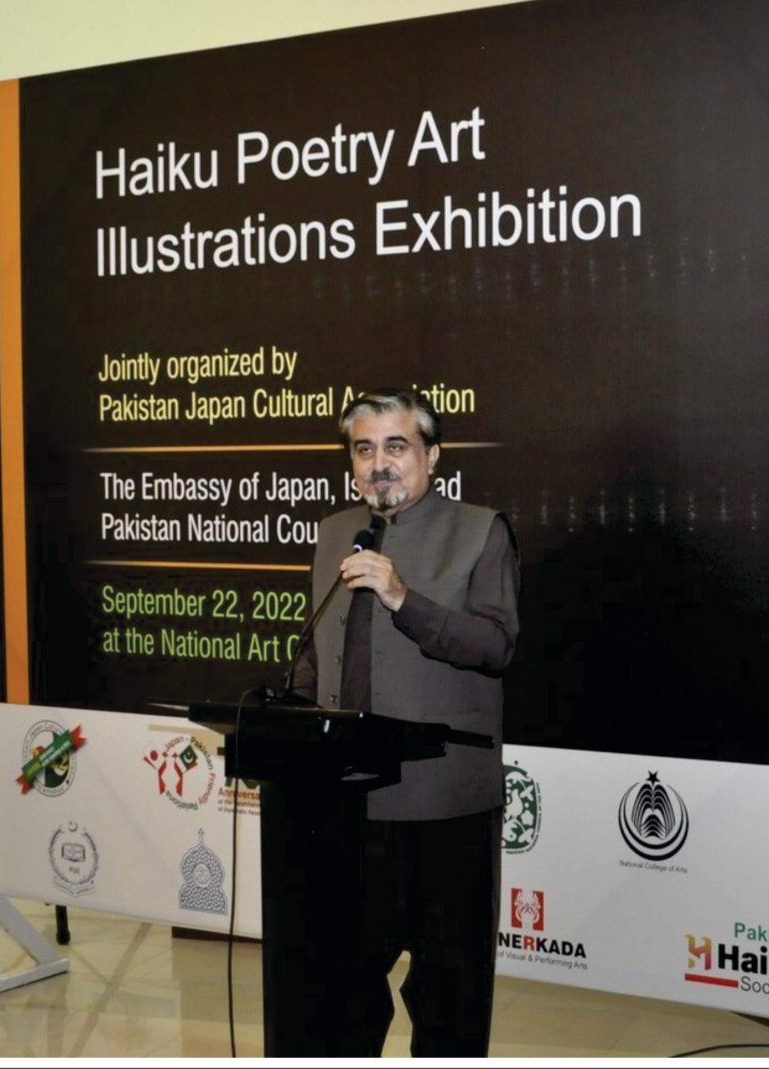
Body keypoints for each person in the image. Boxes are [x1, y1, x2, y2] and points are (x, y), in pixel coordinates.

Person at [289, 387, 519, 1056]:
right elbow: (319, 649)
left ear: (432, 455)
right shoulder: (335, 529)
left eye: (396, 446)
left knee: (448, 996)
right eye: (364, 449)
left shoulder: (480, 529)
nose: (379, 463)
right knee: (341, 992)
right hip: (343, 802)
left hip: (443, 803)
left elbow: (496, 646)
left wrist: (402, 597)